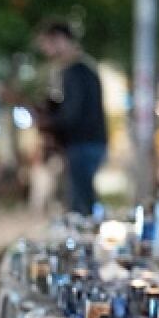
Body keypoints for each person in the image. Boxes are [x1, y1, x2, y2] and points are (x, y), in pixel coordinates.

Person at [34, 19, 108, 217]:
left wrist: (48, 121)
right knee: (83, 199)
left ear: (60, 40)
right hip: (90, 142)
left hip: (82, 143)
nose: (47, 52)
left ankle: (86, 243)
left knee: (80, 206)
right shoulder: (85, 69)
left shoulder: (74, 71)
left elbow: (71, 114)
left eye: (48, 45)